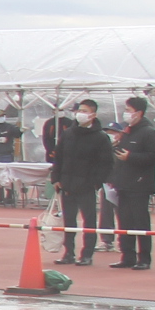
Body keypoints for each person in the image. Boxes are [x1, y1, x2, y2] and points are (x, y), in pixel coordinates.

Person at [51, 99, 114, 267]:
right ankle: (68, 253)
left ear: (93, 115)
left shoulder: (100, 137)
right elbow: (59, 157)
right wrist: (56, 178)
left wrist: (95, 183)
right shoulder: (68, 133)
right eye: (79, 110)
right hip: (67, 185)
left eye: (85, 111)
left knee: (89, 221)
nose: (80, 113)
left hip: (86, 186)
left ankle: (87, 254)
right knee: (69, 221)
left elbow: (106, 163)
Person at [108, 97, 155, 269]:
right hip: (123, 184)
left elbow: (154, 155)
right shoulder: (127, 131)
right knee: (124, 222)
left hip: (140, 185)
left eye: (129, 110)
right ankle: (127, 256)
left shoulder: (148, 132)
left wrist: (131, 157)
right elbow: (119, 156)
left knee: (140, 222)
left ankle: (144, 258)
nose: (126, 113)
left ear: (139, 113)